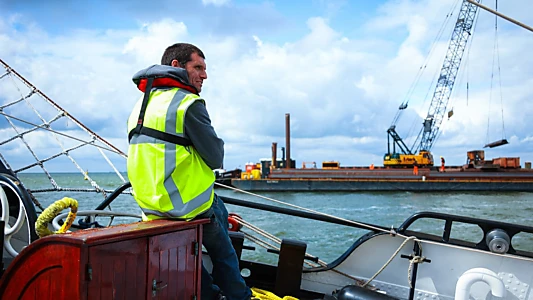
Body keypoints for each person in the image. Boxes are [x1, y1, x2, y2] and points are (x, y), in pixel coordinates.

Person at [126, 43, 251, 300]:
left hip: (151, 207)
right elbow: (215, 157)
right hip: (189, 205)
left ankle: (208, 294)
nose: (204, 75)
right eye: (198, 68)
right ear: (176, 66)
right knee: (224, 252)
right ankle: (240, 297)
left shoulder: (139, 106)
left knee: (188, 260)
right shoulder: (187, 103)